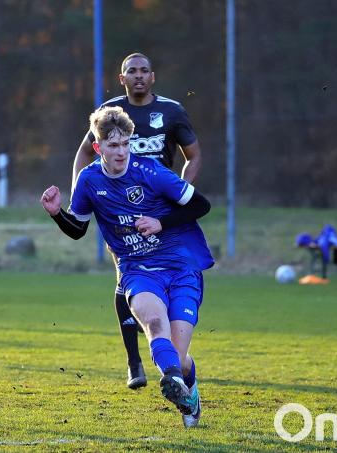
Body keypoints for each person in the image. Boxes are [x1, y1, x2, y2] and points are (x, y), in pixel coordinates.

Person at [43, 106, 213, 427]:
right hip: (136, 268)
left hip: (180, 267)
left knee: (177, 355)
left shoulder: (152, 172)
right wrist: (56, 213)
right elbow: (78, 230)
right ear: (99, 147)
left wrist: (161, 222)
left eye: (125, 144)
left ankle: (184, 386)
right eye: (113, 145)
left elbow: (201, 205)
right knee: (153, 324)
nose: (121, 152)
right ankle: (174, 381)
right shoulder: (89, 180)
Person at [72, 52, 203, 389]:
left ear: (153, 76)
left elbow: (194, 155)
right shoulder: (109, 112)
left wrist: (179, 199)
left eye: (145, 71)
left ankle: (173, 356)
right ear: (122, 78)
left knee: (165, 280)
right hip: (119, 208)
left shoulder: (172, 111)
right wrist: (82, 193)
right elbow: (85, 153)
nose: (139, 77)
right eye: (132, 71)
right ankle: (134, 362)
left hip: (159, 206)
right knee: (127, 275)